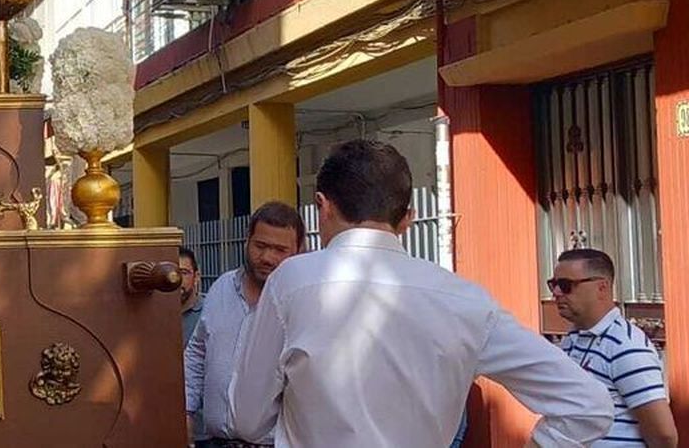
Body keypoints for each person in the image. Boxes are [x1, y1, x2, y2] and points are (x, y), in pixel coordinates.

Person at [229, 140, 612, 447]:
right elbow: (588, 405)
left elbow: (248, 417)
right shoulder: (467, 300)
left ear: (322, 207)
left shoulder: (292, 282)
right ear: (408, 218)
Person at [184, 201, 304, 447]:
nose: (267, 257)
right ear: (247, 240)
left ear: (298, 251)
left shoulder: (303, 303)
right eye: (260, 246)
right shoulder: (221, 288)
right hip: (213, 441)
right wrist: (184, 412)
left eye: (280, 250)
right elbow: (196, 354)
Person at [553, 247, 679, 447]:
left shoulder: (625, 345)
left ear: (602, 288)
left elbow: (664, 435)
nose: (557, 293)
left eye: (566, 285)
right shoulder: (572, 339)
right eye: (553, 285)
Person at [176, 247, 202, 345]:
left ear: (196, 277)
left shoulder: (210, 312)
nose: (175, 279)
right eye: (171, 272)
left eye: (183, 273)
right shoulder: (155, 313)